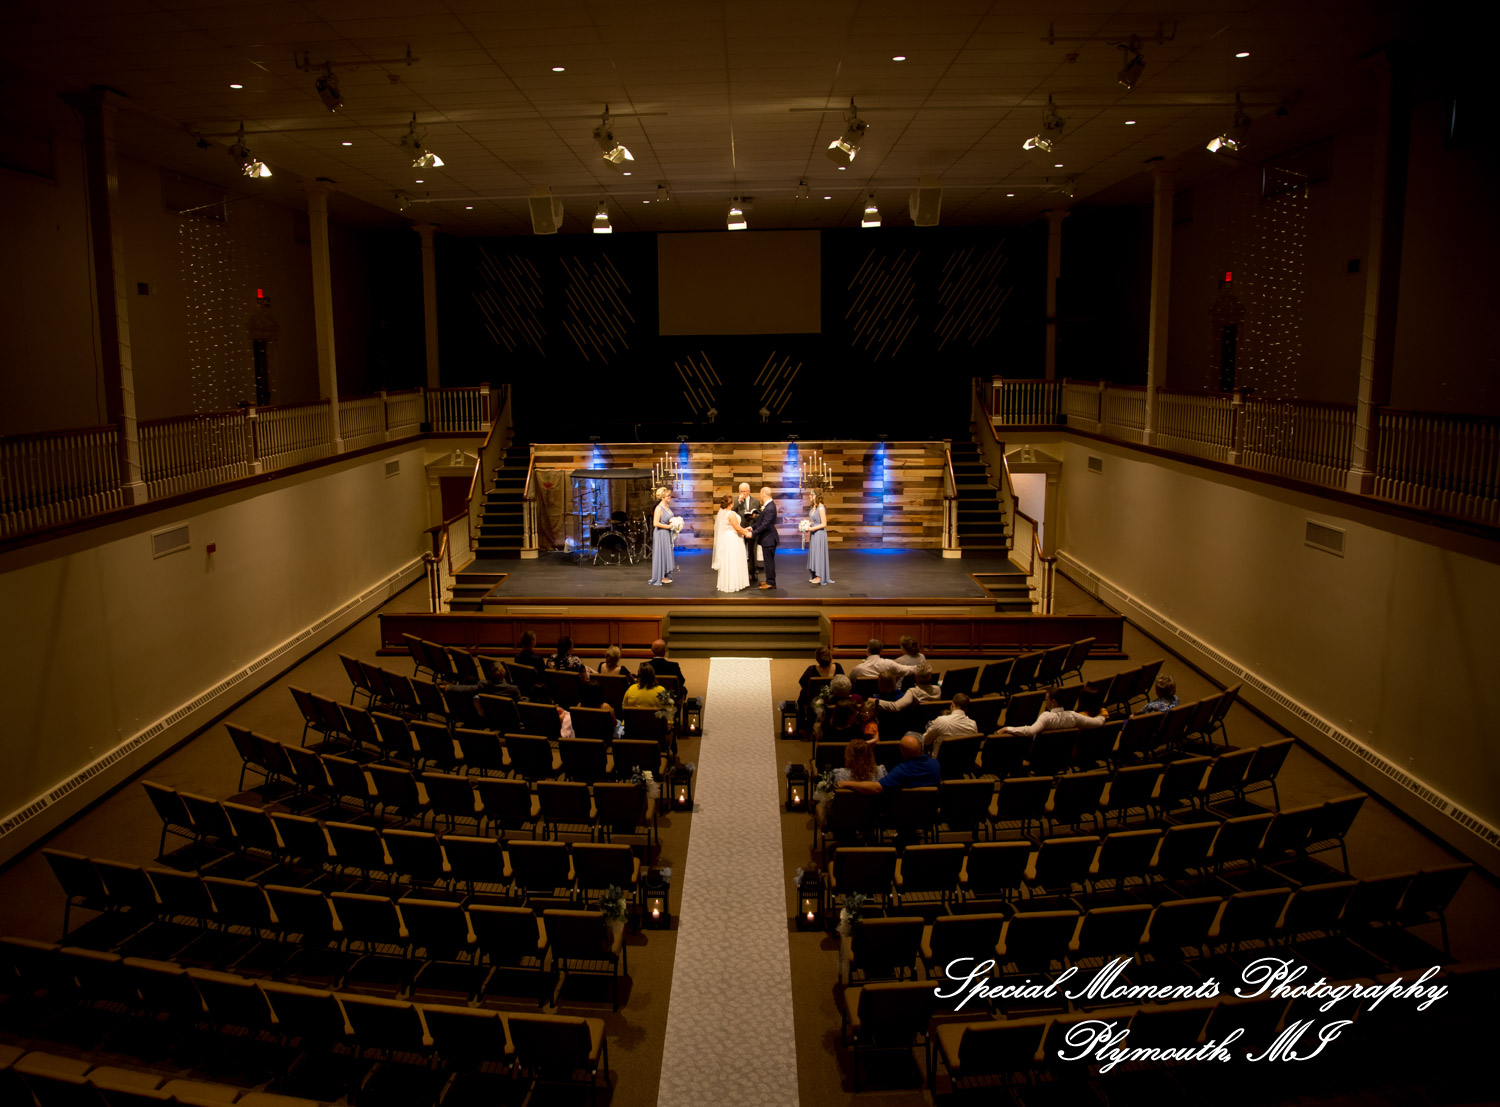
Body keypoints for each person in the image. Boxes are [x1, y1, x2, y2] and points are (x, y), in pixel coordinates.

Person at [816, 737, 885, 827]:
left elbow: (821, 795)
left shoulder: (837, 774)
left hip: (842, 819)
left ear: (848, 755)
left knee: (821, 804)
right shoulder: (881, 772)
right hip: (874, 818)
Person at [838, 734, 940, 793]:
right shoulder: (935, 765)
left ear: (901, 751)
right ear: (920, 748)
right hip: (929, 813)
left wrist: (847, 783)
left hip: (904, 815)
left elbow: (877, 788)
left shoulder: (901, 770)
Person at [997, 687, 1110, 737]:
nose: (1045, 702)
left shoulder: (1046, 717)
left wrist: (1008, 729)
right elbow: (1098, 723)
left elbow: (1030, 731)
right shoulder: (1074, 716)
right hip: (1062, 757)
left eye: (1047, 700)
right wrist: (1102, 713)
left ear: (1054, 702)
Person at [711, 493, 752, 593]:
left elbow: (735, 527)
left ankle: (729, 582)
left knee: (729, 560)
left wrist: (744, 529)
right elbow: (737, 528)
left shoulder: (724, 514)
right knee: (733, 559)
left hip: (728, 537)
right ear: (731, 504)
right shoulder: (730, 514)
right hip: (732, 539)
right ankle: (733, 583)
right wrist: (746, 533)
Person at [878, 664, 944, 713]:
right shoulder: (937, 690)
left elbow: (896, 707)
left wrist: (874, 701)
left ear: (915, 676)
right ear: (930, 676)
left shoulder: (912, 692)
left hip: (916, 726)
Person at [797, 646, 843, 715]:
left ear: (817, 659)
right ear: (830, 656)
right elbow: (844, 685)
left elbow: (802, 683)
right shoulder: (838, 667)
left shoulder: (811, 670)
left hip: (815, 704)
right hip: (834, 703)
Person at [750, 485, 779, 589]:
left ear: (763, 494)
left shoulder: (770, 507)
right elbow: (760, 521)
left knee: (769, 562)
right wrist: (751, 527)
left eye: (760, 495)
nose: (760, 497)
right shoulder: (768, 506)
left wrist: (753, 533)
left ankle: (771, 583)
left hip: (769, 539)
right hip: (767, 538)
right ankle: (769, 580)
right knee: (768, 561)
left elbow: (765, 525)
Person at [849, 639, 918, 682]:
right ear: (881, 650)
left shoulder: (857, 669)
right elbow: (907, 670)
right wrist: (922, 667)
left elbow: (849, 684)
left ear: (868, 650)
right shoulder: (889, 664)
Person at [733, 482, 760, 584]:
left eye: (744, 491)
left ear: (748, 491)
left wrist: (753, 516)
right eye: (740, 491)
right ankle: (741, 572)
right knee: (740, 552)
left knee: (752, 551)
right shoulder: (735, 501)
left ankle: (753, 572)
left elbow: (760, 516)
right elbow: (730, 511)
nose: (742, 493)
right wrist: (738, 501)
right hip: (740, 530)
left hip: (751, 529)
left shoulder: (756, 501)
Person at [648, 487, 676, 586]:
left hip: (666, 533)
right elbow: (655, 523)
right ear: (663, 497)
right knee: (661, 553)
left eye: (670, 496)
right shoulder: (659, 508)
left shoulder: (667, 506)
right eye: (668, 496)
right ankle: (661, 577)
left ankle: (665, 575)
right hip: (661, 533)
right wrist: (669, 526)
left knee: (666, 553)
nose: (670, 497)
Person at [805, 490, 833, 585]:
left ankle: (820, 576)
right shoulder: (814, 507)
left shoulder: (821, 507)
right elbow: (814, 521)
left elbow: (824, 524)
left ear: (816, 496)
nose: (809, 496)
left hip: (820, 534)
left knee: (819, 553)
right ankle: (815, 575)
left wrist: (810, 528)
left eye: (811, 494)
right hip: (814, 533)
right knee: (814, 553)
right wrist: (807, 524)